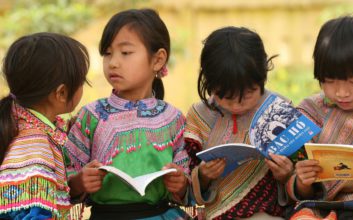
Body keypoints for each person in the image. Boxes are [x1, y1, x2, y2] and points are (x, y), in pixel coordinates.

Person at [65, 8, 191, 219]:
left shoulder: (173, 119)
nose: (113, 62)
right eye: (107, 53)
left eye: (125, 53)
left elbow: (187, 184)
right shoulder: (91, 115)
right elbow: (64, 178)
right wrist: (79, 182)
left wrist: (181, 184)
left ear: (158, 60)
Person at [286, 15, 353, 220]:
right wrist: (303, 182)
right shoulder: (308, 114)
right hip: (325, 208)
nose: (341, 92)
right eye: (330, 81)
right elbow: (291, 182)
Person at [185, 26, 294, 219]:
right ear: (209, 84)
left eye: (248, 95)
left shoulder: (278, 109)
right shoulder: (199, 115)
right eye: (225, 97)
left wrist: (286, 174)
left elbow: (303, 176)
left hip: (266, 213)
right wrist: (202, 176)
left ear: (262, 78)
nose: (236, 105)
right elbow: (184, 183)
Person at [0, 33, 89, 219]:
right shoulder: (34, 146)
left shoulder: (22, 121)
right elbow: (33, 213)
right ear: (62, 93)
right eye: (81, 81)